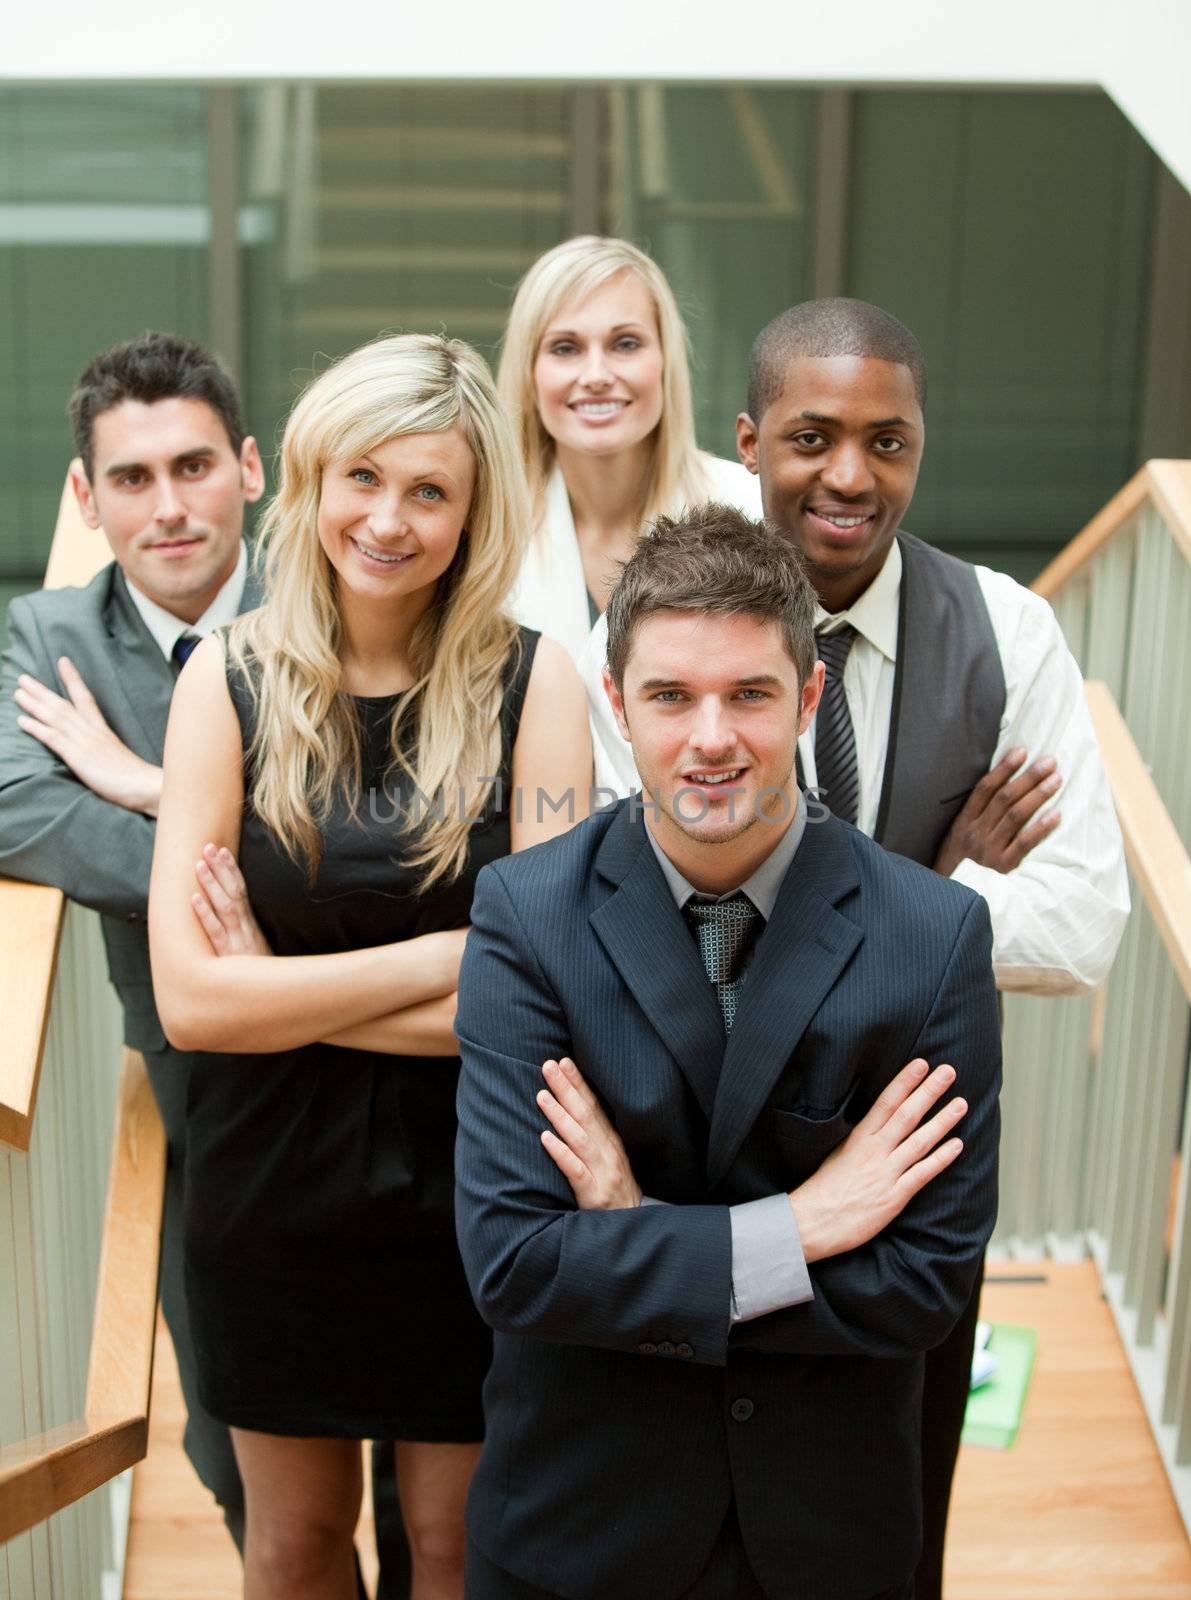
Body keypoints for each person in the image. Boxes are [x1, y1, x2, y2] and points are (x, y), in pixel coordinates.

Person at [454, 507, 1002, 1600]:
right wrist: (801, 1227)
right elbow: (514, 1263)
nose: (712, 738)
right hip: (577, 1530)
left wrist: (634, 1245)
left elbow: (922, 1284)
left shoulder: (933, 936)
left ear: (806, 696)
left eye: (750, 694)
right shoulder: (525, 913)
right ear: (617, 706)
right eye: (670, 696)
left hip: (822, 1543)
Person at [147, 333, 591, 1600]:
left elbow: (549, 1003)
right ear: (310, 478)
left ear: (472, 513)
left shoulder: (533, 681)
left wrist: (275, 996)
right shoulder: (224, 680)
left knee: (458, 1544)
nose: (387, 520)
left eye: (429, 491)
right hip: (267, 1186)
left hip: (475, 1184)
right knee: (290, 1546)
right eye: (363, 477)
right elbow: (191, 1001)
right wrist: (454, 956)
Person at [733, 298, 1129, 1600]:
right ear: (746, 443)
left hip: (920, 1182)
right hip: (706, 1168)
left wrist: (819, 914)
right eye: (810, 436)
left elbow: (1079, 923)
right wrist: (935, 893)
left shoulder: (1006, 630)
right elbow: (662, 931)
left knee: (895, 1537)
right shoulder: (675, 625)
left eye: (884, 440)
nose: (849, 474)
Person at [0, 330, 265, 1549]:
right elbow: (21, 807)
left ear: (250, 469)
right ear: (85, 497)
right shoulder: (45, 636)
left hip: (397, 1065)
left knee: (432, 1443)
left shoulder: (341, 591)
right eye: (132, 477)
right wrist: (227, 829)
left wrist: (145, 783)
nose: (168, 506)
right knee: (232, 1430)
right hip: (195, 1081)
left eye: (194, 466)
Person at [498, 234, 761, 790]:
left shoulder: (748, 506)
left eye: (624, 343)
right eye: (565, 348)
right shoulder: (487, 533)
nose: (595, 373)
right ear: (529, 371)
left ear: (664, 360)